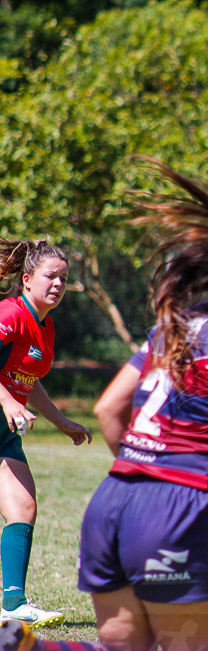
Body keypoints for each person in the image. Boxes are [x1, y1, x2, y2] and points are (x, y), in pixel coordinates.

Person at [0, 157, 208, 651]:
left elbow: (110, 409)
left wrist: (142, 468)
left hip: (113, 504)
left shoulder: (172, 329)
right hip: (181, 512)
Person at [0, 238, 93, 629]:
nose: (58, 284)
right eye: (50, 276)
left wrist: (62, 422)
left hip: (3, 430)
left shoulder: (45, 326)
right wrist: (7, 402)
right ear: (26, 279)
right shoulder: (10, 312)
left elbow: (29, 379)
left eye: (64, 278)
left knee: (23, 507)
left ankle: (14, 605)